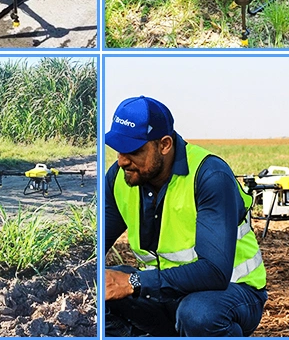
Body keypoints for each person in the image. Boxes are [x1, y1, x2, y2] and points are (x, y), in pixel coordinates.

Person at [104, 96, 266, 337]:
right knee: (97, 287)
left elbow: (215, 272)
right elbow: (94, 247)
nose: (122, 160)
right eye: (118, 149)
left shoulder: (210, 176)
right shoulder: (120, 177)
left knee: (198, 315)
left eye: (134, 151)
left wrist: (134, 283)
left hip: (229, 293)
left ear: (165, 144)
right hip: (164, 295)